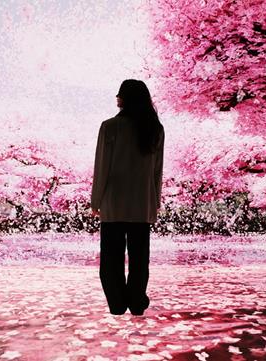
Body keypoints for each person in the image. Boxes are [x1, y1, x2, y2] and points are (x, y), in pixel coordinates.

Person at [91, 79, 164, 316]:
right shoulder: (155, 128)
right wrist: (155, 202)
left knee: (111, 259)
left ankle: (117, 303)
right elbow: (157, 171)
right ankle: (136, 302)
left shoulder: (110, 127)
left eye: (119, 95)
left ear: (124, 99)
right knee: (139, 259)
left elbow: (102, 167)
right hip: (142, 204)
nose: (116, 98)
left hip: (114, 203)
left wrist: (96, 201)